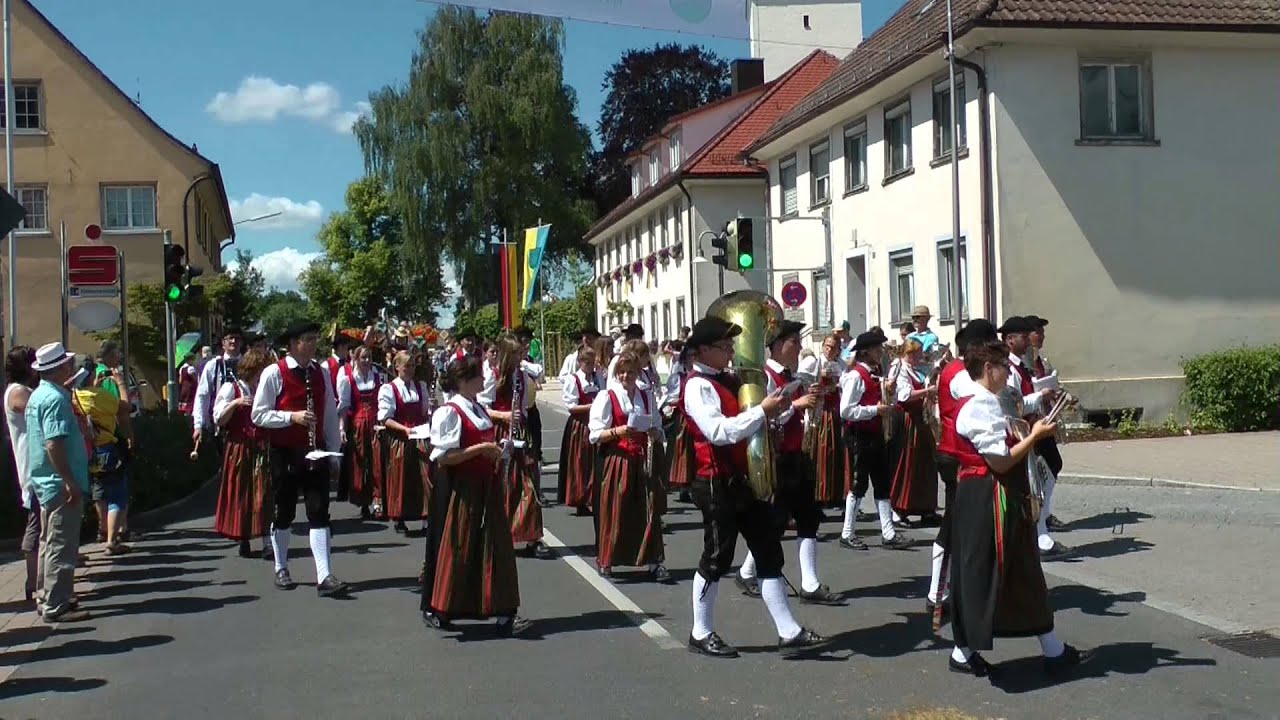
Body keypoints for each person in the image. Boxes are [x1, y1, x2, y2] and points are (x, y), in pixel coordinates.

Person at [682, 317, 826, 658]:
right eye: (724, 346)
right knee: (716, 557)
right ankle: (700, 631)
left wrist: (774, 415)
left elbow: (753, 422)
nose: (732, 351)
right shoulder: (697, 386)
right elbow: (719, 431)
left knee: (767, 552)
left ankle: (788, 631)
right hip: (716, 481)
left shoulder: (731, 380)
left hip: (744, 478)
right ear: (703, 350)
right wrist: (762, 412)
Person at [948, 339, 1089, 677]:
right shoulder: (979, 406)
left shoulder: (991, 401)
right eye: (1003, 368)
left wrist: (1034, 418)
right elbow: (999, 461)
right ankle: (972, 649)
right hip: (990, 496)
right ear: (988, 370)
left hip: (993, 494)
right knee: (995, 569)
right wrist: (1035, 436)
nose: (1008, 372)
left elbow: (1010, 426)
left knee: (1006, 568)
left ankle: (970, 650)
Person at [421, 356, 530, 636]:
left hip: (485, 486)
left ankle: (504, 612)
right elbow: (444, 458)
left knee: (495, 547)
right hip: (461, 491)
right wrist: (481, 450)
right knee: (458, 548)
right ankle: (441, 606)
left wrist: (499, 448)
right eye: (478, 377)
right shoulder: (450, 412)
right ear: (463, 381)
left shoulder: (478, 408)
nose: (483, 381)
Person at [736, 321, 839, 605]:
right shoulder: (765, 377)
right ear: (778, 345)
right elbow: (764, 419)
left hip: (796, 454)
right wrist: (795, 405)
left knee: (808, 518)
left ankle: (810, 582)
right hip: (776, 457)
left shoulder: (792, 375)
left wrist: (812, 403)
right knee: (775, 522)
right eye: (794, 341)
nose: (798, 346)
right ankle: (747, 570)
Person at [250, 322, 348, 597]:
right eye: (307, 339)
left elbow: (329, 413)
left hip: (314, 451)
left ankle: (324, 575)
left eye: (315, 339)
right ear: (292, 344)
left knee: (319, 511)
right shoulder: (274, 373)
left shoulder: (322, 372)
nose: (313, 344)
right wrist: (290, 417)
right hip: (284, 452)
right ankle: (281, 566)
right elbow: (258, 415)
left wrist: (334, 451)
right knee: (285, 512)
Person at [929, 319, 996, 616]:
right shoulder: (960, 374)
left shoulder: (960, 371)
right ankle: (937, 592)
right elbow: (981, 402)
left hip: (956, 452)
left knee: (959, 523)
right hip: (957, 454)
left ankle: (945, 590)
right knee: (954, 524)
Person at [588, 350, 668, 581]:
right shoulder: (607, 397)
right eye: (622, 372)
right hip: (618, 460)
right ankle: (607, 559)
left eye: (631, 372)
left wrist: (655, 431)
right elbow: (594, 435)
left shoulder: (646, 396)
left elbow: (658, 427)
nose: (626, 376)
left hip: (642, 458)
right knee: (615, 509)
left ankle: (654, 561)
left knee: (648, 508)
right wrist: (618, 431)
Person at [26, 342, 91, 622]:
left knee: (48, 541)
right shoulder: (55, 399)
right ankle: (56, 602)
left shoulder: (39, 395)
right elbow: (54, 443)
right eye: (67, 363)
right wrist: (69, 481)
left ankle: (45, 595)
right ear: (60, 368)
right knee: (61, 545)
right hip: (59, 482)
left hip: (45, 481)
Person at [999, 316, 1071, 560]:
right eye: (1023, 335)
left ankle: (1041, 529)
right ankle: (1040, 535)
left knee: (1045, 476)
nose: (1029, 339)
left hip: (1035, 426)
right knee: (1036, 483)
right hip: (1026, 430)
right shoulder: (1010, 369)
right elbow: (1015, 404)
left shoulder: (1023, 365)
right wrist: (1041, 396)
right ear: (1010, 340)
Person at [838, 329, 911, 550]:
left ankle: (888, 533)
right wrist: (874, 410)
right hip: (860, 435)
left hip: (875, 433)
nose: (881, 352)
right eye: (877, 348)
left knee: (882, 482)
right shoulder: (855, 376)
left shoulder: (874, 374)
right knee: (859, 484)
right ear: (866, 351)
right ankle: (847, 532)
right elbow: (846, 411)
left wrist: (889, 392)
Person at [485, 337, 550, 558]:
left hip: (521, 434)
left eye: (519, 354)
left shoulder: (522, 376)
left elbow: (525, 404)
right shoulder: (491, 376)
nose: (518, 358)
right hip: (500, 433)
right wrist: (503, 415)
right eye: (514, 355)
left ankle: (532, 536)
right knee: (504, 485)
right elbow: (482, 407)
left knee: (528, 483)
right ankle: (500, 535)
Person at [213, 348, 274, 559]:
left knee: (264, 493)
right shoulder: (232, 388)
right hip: (239, 448)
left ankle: (268, 541)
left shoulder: (263, 391)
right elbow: (219, 418)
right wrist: (235, 403)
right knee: (241, 493)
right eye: (260, 370)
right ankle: (243, 537)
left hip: (261, 447)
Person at [72, 370, 135, 555]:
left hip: (88, 451)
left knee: (99, 491)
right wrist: (120, 383)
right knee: (117, 495)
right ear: (91, 377)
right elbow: (125, 407)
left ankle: (102, 528)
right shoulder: (100, 396)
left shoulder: (74, 397)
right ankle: (112, 541)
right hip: (108, 448)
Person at [377, 351, 431, 534]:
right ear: (397, 367)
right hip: (400, 438)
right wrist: (405, 429)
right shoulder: (388, 389)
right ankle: (399, 517)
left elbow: (424, 413)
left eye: (413, 365)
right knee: (401, 477)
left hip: (419, 435)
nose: (410, 369)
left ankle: (426, 518)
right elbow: (385, 419)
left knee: (425, 475)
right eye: (407, 365)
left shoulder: (420, 386)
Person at [888, 339, 940, 525]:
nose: (920, 357)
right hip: (909, 420)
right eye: (917, 353)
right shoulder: (900, 368)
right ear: (909, 353)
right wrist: (928, 391)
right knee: (908, 463)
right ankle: (900, 508)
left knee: (925, 464)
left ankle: (926, 508)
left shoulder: (917, 369)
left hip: (922, 418)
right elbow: (904, 395)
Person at [1025, 314, 1065, 532]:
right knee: (1047, 466)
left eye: (1042, 333)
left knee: (1052, 465)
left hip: (1045, 417)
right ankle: (1041, 516)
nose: (1041, 336)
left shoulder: (1042, 360)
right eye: (1037, 332)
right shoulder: (1024, 362)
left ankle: (1045, 513)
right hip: (1032, 420)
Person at [5, 346, 39, 602]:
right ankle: (32, 580)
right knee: (36, 524)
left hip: (38, 465)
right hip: (33, 467)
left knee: (39, 521)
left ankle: (36, 579)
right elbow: (36, 411)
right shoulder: (18, 392)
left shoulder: (26, 391)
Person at [336, 345, 383, 520]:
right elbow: (344, 407)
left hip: (375, 423)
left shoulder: (377, 377)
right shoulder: (348, 379)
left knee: (377, 462)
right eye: (363, 357)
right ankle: (364, 502)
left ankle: (378, 501)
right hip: (358, 426)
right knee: (361, 463)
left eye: (369, 357)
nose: (366, 361)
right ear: (355, 359)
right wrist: (342, 428)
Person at [802, 333, 845, 508]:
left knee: (835, 452)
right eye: (827, 346)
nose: (829, 350)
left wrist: (838, 384)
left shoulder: (841, 365)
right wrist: (819, 376)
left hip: (835, 411)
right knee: (821, 451)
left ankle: (834, 493)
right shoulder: (813, 362)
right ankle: (819, 492)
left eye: (833, 347)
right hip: (820, 411)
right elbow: (802, 381)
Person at [556, 346, 600, 515]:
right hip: (580, 426)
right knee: (580, 463)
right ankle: (580, 498)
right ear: (580, 362)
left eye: (592, 362)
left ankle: (593, 497)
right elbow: (572, 407)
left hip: (595, 423)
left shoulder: (597, 378)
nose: (590, 366)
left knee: (595, 461)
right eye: (587, 362)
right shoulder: (573, 380)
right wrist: (593, 405)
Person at [193, 329, 245, 451]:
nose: (233, 341)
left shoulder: (248, 364)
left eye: (237, 338)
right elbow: (202, 395)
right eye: (230, 338)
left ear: (242, 342)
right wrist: (198, 425)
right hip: (219, 427)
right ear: (223, 343)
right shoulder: (213, 365)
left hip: (244, 427)